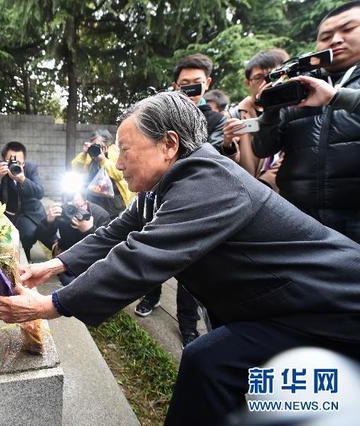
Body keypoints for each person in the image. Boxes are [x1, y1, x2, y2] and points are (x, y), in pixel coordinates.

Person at [0, 91, 360, 426]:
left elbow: (142, 256)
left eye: (126, 150)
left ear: (168, 144)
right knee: (219, 370)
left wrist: (52, 304)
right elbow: (116, 232)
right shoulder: (163, 186)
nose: (118, 163)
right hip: (284, 307)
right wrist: (50, 266)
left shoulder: (208, 178)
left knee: (209, 363)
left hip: (332, 307)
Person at [133, 54, 230, 346]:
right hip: (161, 199)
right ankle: (151, 295)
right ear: (175, 86)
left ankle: (188, 326)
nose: (189, 91)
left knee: (192, 269)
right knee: (153, 250)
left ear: (207, 84)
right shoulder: (161, 120)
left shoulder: (217, 121)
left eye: (195, 85)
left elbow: (215, 162)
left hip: (198, 204)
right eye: (183, 85)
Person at [254, 2, 360, 243]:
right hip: (301, 217)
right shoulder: (297, 86)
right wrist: (270, 112)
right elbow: (263, 149)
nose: (335, 40)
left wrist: (336, 97)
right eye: (326, 36)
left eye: (348, 29)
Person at [222, 48, 290, 187]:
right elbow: (228, 166)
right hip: (249, 192)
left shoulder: (297, 109)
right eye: (259, 78)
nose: (267, 83)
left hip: (285, 194)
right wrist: (228, 144)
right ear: (247, 83)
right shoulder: (235, 115)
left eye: (275, 75)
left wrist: (267, 182)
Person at [0, 141, 45, 259]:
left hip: (27, 213)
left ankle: (26, 254)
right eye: (10, 162)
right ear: (2, 160)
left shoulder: (31, 168)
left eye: (19, 162)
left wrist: (22, 179)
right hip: (6, 213)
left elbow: (39, 192)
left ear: (24, 161)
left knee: (28, 234)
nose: (14, 165)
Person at [35, 191, 110, 285]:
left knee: (82, 281)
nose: (74, 210)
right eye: (71, 206)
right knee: (69, 280)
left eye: (78, 206)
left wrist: (89, 230)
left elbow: (106, 248)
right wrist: (48, 221)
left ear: (86, 202)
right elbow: (41, 235)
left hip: (89, 257)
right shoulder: (63, 212)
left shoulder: (100, 215)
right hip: (67, 251)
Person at [71, 129, 133, 218]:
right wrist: (84, 154)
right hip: (93, 202)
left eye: (99, 145)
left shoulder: (116, 153)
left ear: (107, 145)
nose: (96, 148)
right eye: (94, 145)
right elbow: (75, 169)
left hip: (114, 204)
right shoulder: (90, 155)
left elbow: (120, 175)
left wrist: (103, 160)